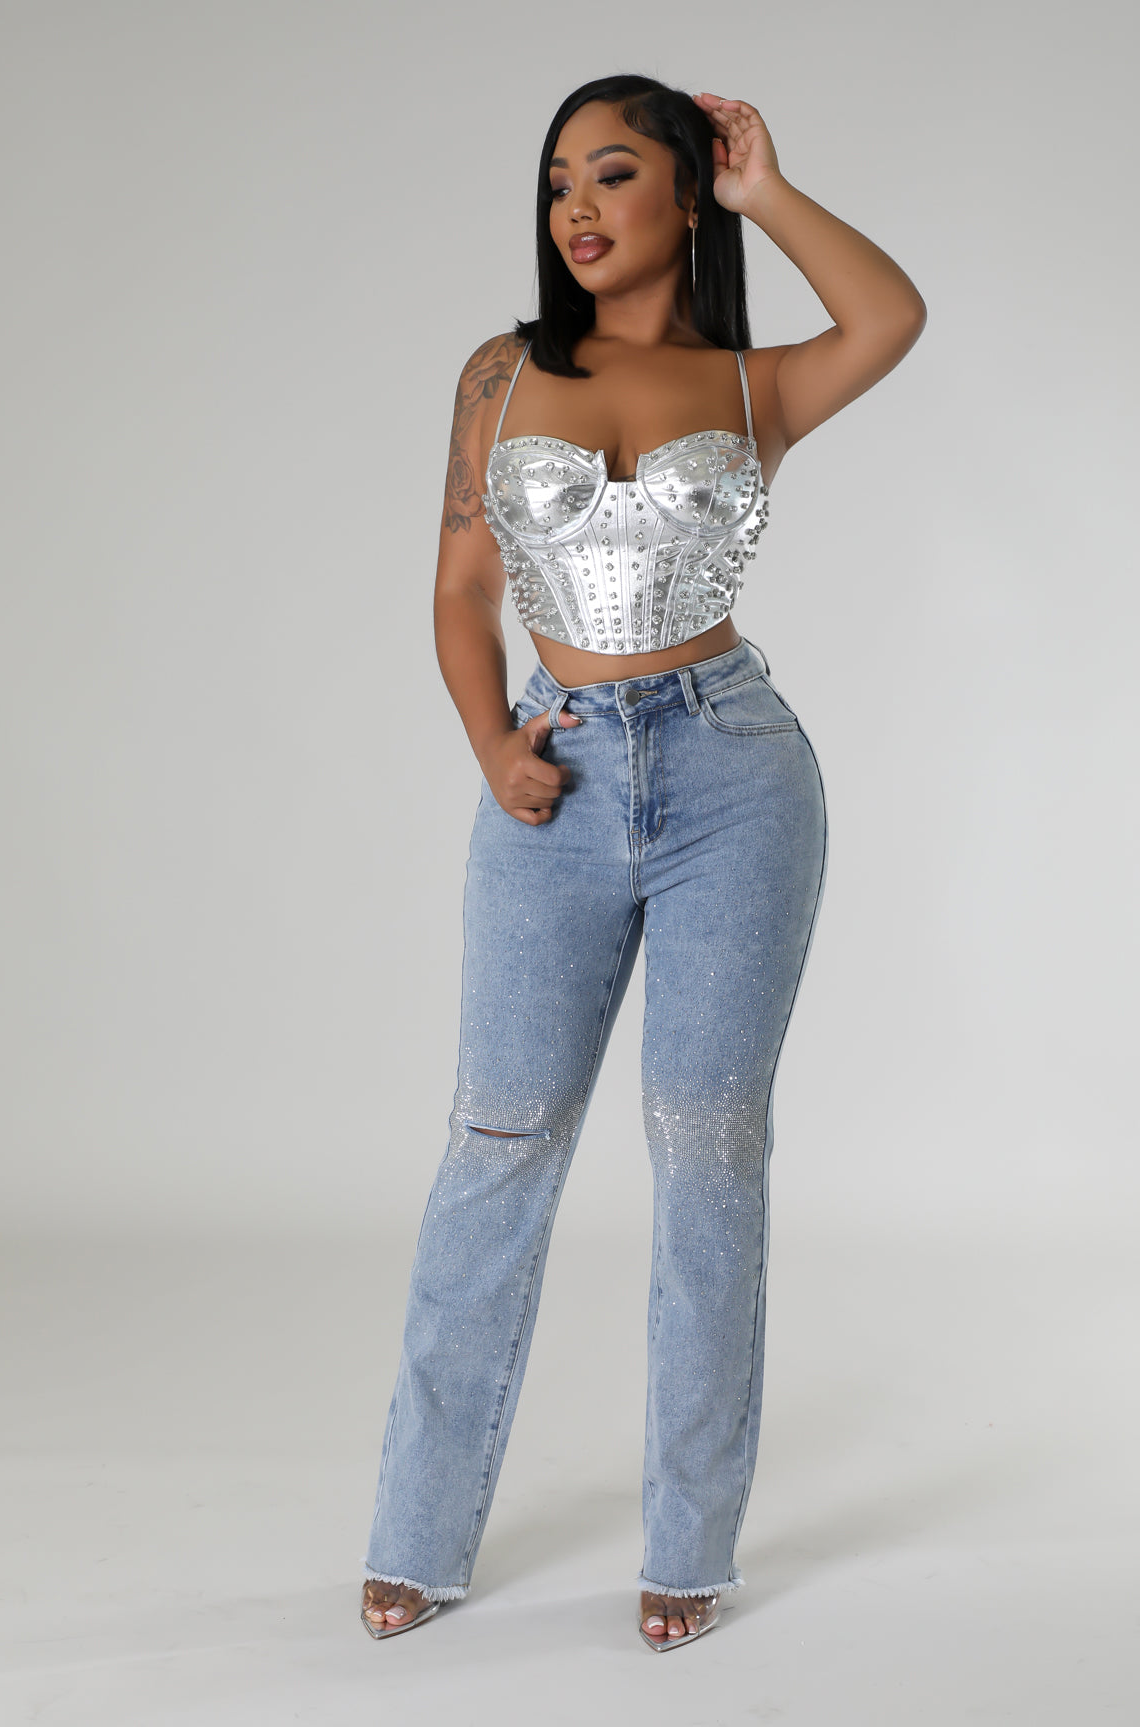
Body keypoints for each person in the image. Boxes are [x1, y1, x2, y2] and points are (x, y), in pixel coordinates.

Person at [360, 73, 925, 1652]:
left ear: (685, 193)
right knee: (497, 1140)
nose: (577, 208)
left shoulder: (753, 383)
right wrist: (492, 745)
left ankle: (692, 1541)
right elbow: (461, 585)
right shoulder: (502, 374)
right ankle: (419, 1532)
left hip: (735, 776)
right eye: (558, 183)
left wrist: (768, 191)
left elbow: (892, 315)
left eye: (614, 174)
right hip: (554, 779)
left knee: (708, 1152)